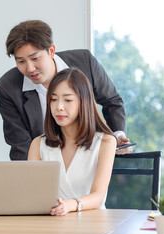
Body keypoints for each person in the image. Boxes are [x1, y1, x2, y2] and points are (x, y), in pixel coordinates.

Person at [0, 20, 131, 161]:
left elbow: (112, 101)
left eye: (35, 58)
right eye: (21, 61)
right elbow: (20, 146)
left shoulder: (85, 62)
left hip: (89, 158)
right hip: (44, 166)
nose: (29, 69)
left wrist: (118, 135)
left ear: (51, 51)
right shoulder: (7, 87)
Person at [28, 68, 116, 215]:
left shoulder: (106, 141)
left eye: (68, 100)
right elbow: (32, 194)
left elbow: (98, 196)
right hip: (50, 225)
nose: (59, 107)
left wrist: (70, 205)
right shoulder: (38, 144)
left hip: (93, 224)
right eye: (54, 99)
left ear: (84, 102)